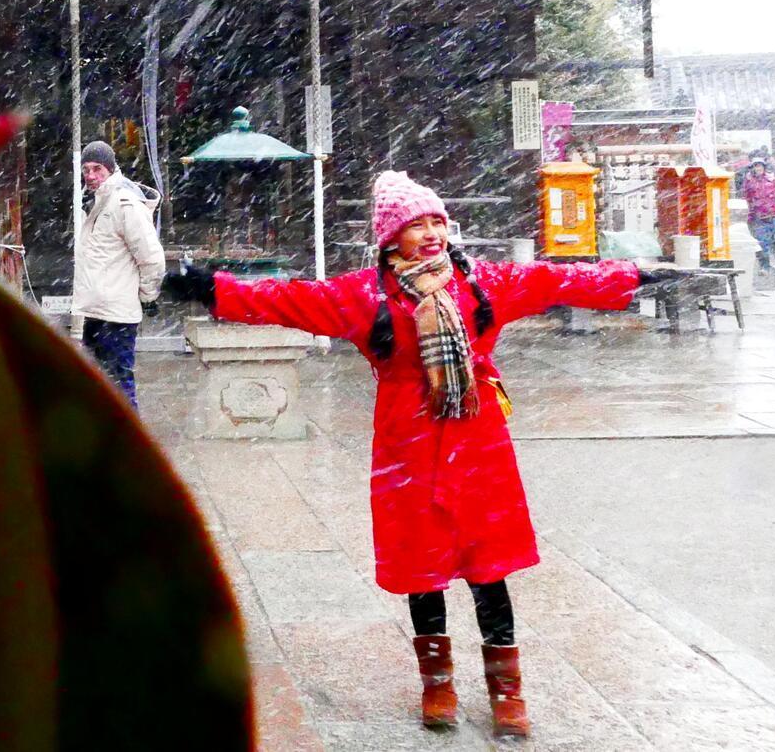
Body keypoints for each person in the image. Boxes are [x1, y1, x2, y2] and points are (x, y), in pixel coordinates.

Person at [163, 171, 678, 738]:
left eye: (436, 221)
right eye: (415, 225)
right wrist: (212, 288)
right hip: (407, 445)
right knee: (422, 568)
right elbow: (290, 298)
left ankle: (508, 691)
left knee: (490, 567)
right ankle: (438, 685)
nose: (431, 233)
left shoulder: (482, 283)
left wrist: (635, 277)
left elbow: (555, 281)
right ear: (390, 239)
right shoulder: (362, 297)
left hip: (478, 440)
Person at [71, 140, 164, 409]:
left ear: (110, 169)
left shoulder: (124, 204)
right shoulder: (99, 201)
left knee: (119, 384)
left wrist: (147, 297)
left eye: (97, 169)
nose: (90, 175)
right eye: (86, 169)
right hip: (98, 310)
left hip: (117, 314)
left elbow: (151, 258)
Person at [742, 157, 775, 275]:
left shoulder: (772, 179)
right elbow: (747, 198)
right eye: (756, 166)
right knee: (762, 243)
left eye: (760, 165)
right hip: (759, 217)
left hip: (774, 215)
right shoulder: (749, 182)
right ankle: (765, 266)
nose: (758, 168)